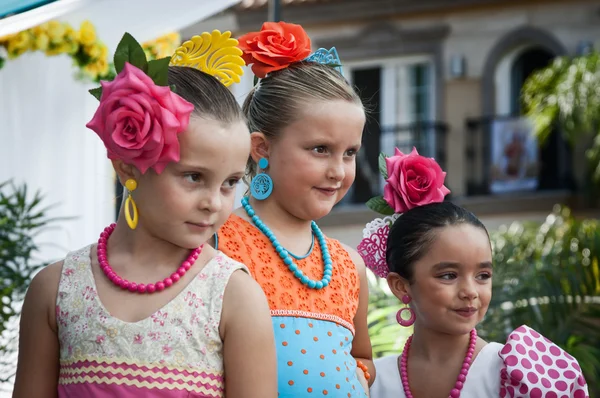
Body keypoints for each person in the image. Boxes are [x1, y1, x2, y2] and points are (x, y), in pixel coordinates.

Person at [12, 31, 277, 398]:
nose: (214, 202)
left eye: (230, 183)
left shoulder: (234, 296)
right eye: (194, 177)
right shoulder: (55, 289)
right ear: (128, 168)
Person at [214, 21, 374, 397]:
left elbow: (363, 359)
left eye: (350, 153)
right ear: (261, 148)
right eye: (320, 149)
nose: (338, 171)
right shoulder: (216, 242)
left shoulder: (350, 266)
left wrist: (353, 378)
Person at [357, 147, 590, 397]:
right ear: (401, 285)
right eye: (448, 275)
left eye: (483, 276)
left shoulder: (521, 375)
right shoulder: (368, 381)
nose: (470, 291)